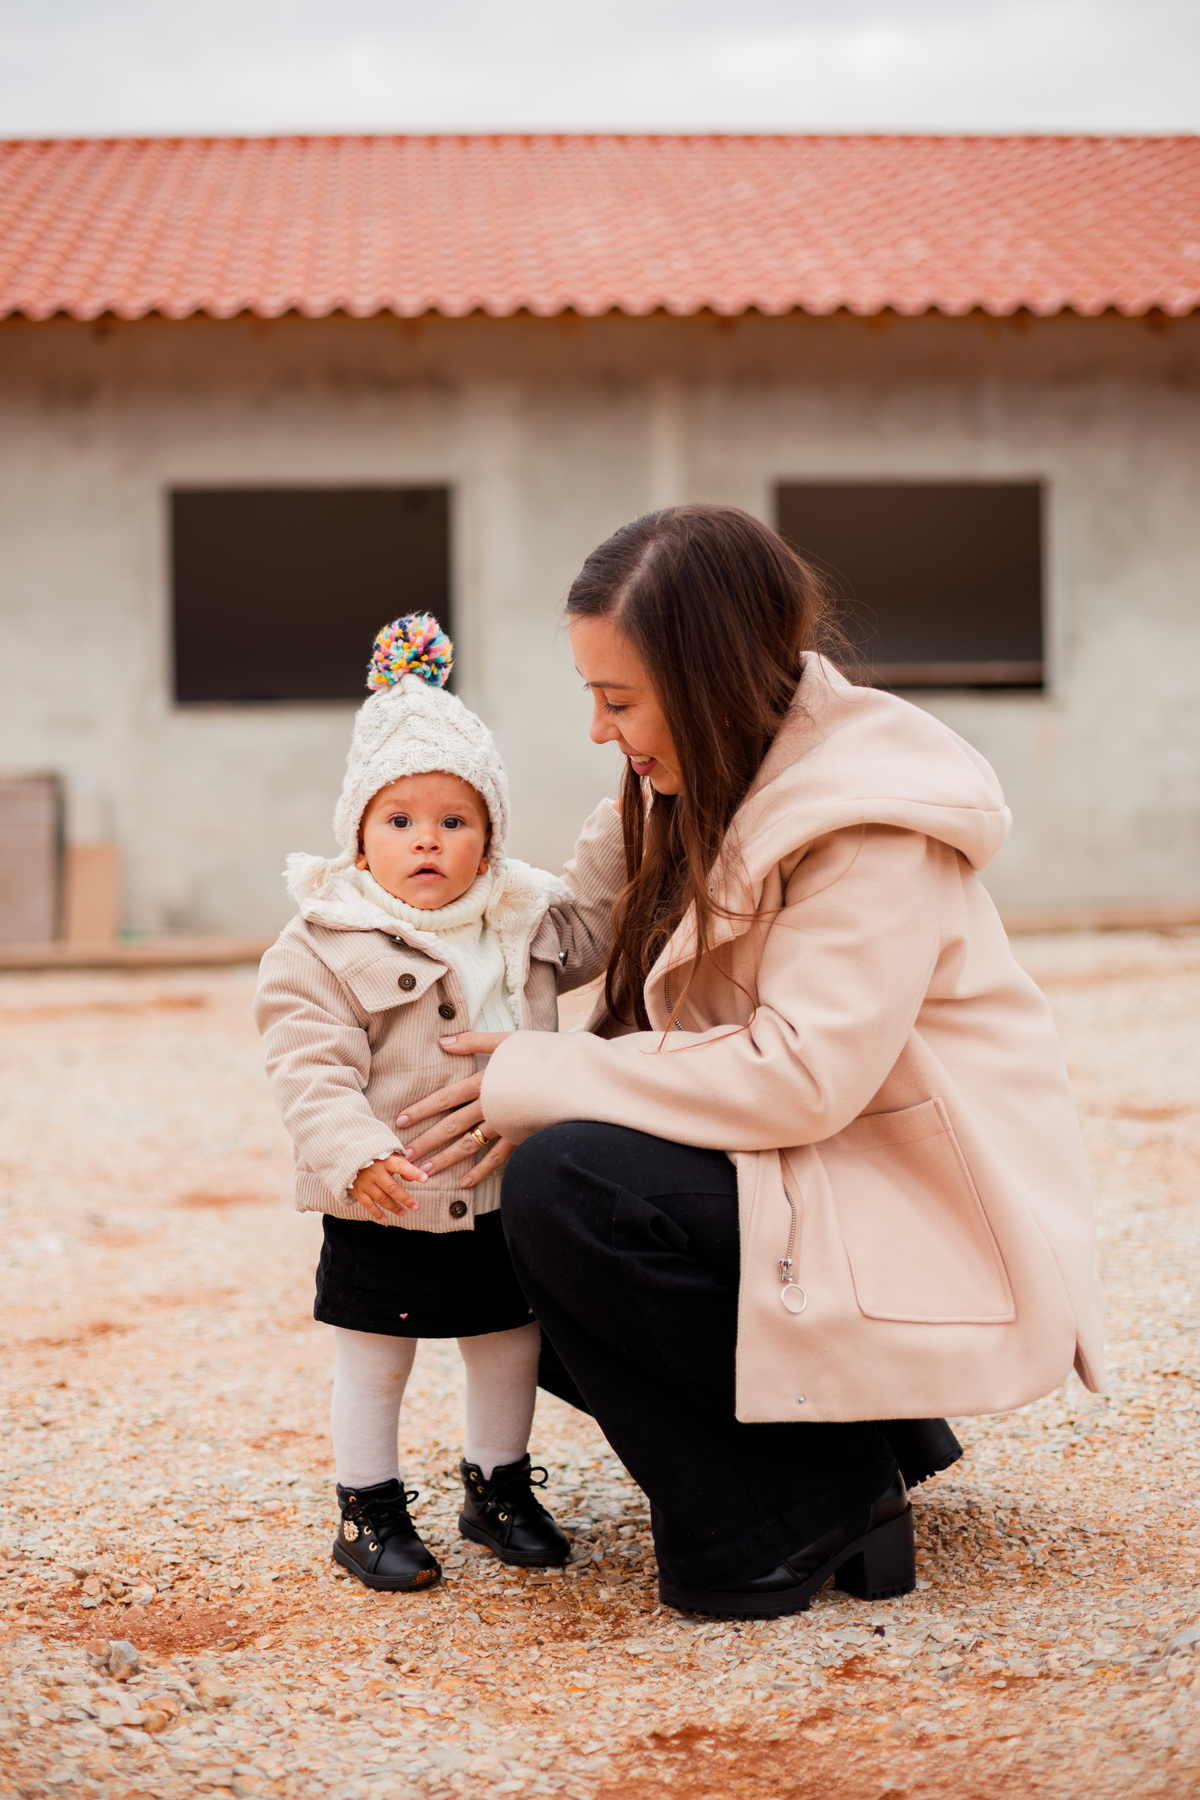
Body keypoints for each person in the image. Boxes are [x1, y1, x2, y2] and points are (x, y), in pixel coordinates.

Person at [396, 506, 1106, 1621]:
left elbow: (799, 1077)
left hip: (913, 1203)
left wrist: (543, 1076)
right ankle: (855, 1443)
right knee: (484, 1220)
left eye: (619, 699)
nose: (598, 730)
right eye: (592, 695)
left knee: (567, 1187)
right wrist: (386, 913)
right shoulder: (676, 787)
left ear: (708, 678)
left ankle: (803, 1502)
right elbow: (558, 932)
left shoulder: (868, 822)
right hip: (813, 1179)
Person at [253, 614, 620, 1593]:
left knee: (506, 1344)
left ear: (488, 840)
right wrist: (353, 1153)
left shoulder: (517, 918)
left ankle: (497, 1487)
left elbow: (595, 929)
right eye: (400, 821)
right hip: (388, 1194)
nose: (427, 840)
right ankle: (367, 1509)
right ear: (359, 836)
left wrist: (631, 811)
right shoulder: (323, 941)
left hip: (502, 1190)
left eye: (455, 822)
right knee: (377, 1359)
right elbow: (308, 1067)